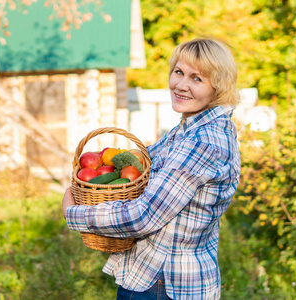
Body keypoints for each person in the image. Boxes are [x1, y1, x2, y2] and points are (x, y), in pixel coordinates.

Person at [62, 37, 241, 300]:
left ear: (218, 87)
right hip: (164, 278)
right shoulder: (186, 131)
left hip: (164, 283)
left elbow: (143, 216)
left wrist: (75, 213)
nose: (181, 85)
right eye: (179, 72)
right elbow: (141, 163)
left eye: (197, 79)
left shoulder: (202, 142)